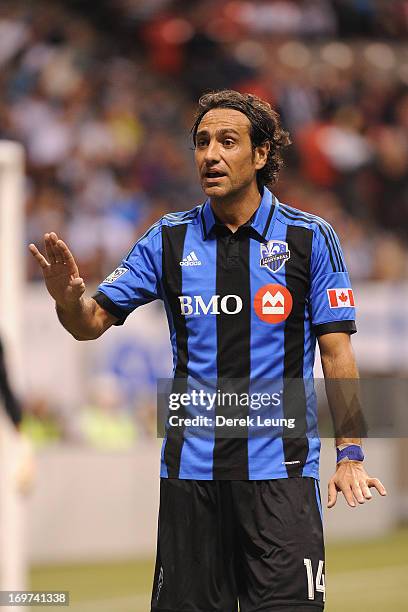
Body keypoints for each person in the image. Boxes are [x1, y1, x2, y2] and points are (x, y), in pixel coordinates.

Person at [29, 89, 387, 612]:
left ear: (261, 154)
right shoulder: (168, 240)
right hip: (191, 479)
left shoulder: (311, 239)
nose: (210, 155)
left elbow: (336, 352)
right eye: (201, 143)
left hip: (281, 475)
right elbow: (88, 324)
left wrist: (350, 452)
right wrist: (67, 300)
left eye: (227, 141)